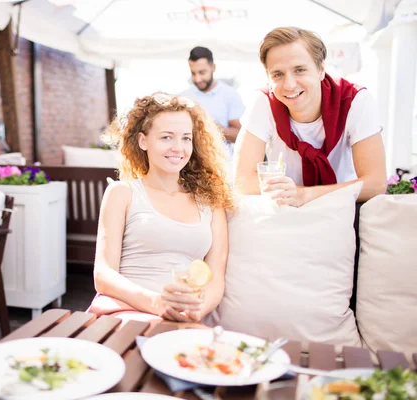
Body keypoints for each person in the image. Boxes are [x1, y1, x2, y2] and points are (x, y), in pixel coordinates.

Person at [87, 92, 233, 325]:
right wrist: (155, 303)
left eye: (186, 138)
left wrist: (194, 312)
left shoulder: (211, 202)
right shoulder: (122, 193)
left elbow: (216, 279)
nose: (178, 147)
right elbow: (103, 275)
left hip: (179, 320)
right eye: (166, 137)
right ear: (143, 141)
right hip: (124, 312)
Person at [234, 27, 387, 206]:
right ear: (268, 77)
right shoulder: (263, 102)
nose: (289, 85)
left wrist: (305, 195)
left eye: (299, 70)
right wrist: (294, 195)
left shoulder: (355, 99)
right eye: (278, 74)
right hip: (287, 210)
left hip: (345, 207)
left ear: (321, 70)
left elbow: (376, 183)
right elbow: (243, 181)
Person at [181, 46, 246, 160]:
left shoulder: (230, 95)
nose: (197, 79)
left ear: (213, 67)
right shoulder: (183, 97)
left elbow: (240, 136)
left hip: (222, 164)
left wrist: (210, 126)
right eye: (193, 73)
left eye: (202, 72)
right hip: (190, 163)